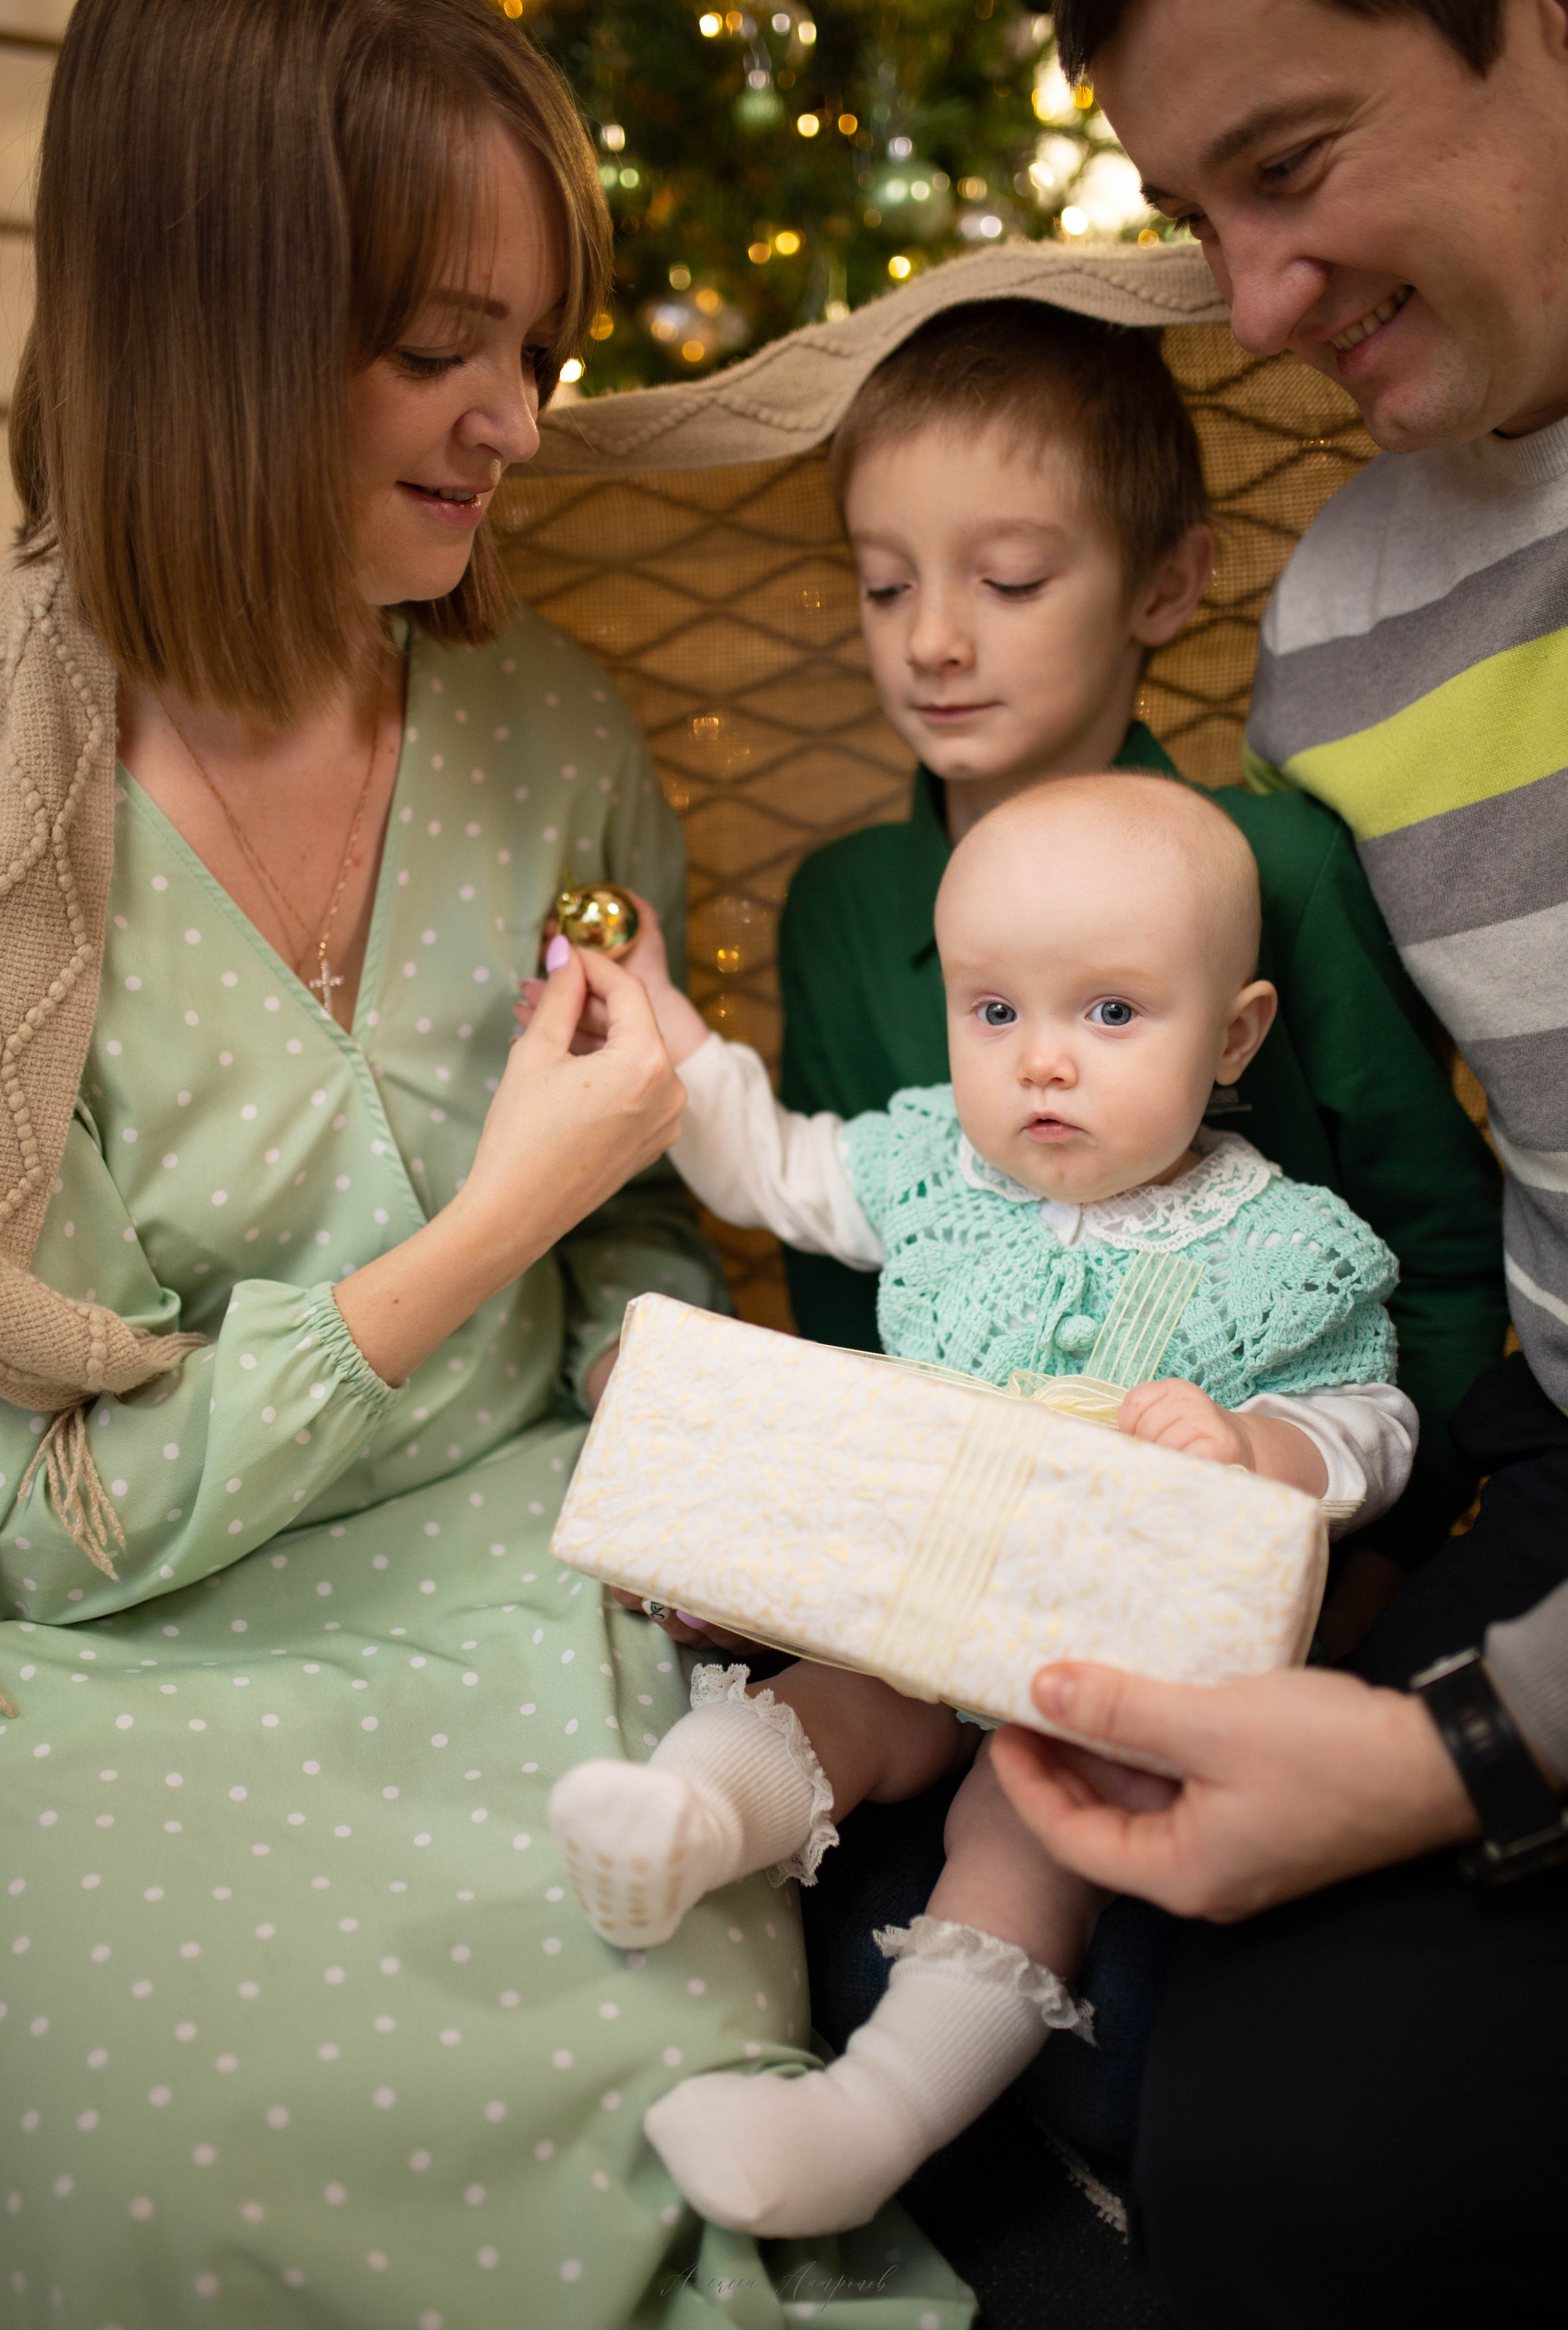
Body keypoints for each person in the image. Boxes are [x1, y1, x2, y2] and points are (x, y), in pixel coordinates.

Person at [0, 0, 971, 2326]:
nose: (517, 427)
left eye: (535, 347)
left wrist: (715, 1469)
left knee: (663, 2158)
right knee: (138, 2157)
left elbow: (637, 1231)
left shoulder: (548, 730)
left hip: (540, 1582)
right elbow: (50, 1537)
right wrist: (488, 1226)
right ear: (212, 334)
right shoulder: (25, 811)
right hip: (121, 1673)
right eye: (443, 346)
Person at [767, 292, 1506, 2152]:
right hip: (936, 1560)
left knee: (1182, 1986)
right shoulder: (851, 903)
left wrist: (1367, 1539)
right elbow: (845, 1271)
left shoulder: (1272, 867)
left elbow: (1423, 1237)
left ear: (1165, 588)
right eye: (883, 586)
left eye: (1010, 579)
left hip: (1248, 1539)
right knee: (841, 1911)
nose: (934, 640)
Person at [984, 0, 1568, 2321]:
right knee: (1270, 2164)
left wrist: (1456, 1759)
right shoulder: (1343, 620)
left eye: (1297, 161)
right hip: (1540, 1446)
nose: (1250, 302)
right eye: (1191, 211)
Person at [546, 770, 1418, 2238]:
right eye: (993, 1013)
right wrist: (663, 1022)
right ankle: (683, 1824)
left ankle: (859, 2126)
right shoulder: (944, 1180)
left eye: (1111, 1014)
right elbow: (773, 1162)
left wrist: (1260, 1447)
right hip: (913, 1603)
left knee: (1026, 1837)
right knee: (818, 1698)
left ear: (1234, 1035)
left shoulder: (1282, 1245)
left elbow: (1375, 1422)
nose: (1042, 1066)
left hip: (1092, 1673)